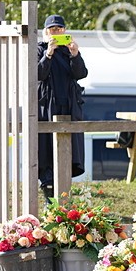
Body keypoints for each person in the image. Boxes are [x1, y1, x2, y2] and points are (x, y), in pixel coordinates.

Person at [37, 14, 87, 198]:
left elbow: (81, 74)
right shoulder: (39, 49)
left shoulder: (69, 50)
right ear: (46, 32)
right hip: (47, 108)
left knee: (69, 151)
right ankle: (49, 191)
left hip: (69, 107)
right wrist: (48, 53)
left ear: (65, 30)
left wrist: (75, 54)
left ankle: (64, 193)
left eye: (59, 29)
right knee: (46, 150)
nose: (56, 32)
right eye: (52, 29)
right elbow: (38, 74)